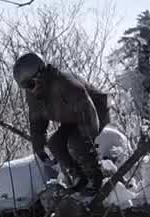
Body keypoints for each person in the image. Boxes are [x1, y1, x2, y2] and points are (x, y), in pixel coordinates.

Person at [13, 52, 110, 195]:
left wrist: (87, 139)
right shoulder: (35, 96)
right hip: (72, 118)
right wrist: (38, 147)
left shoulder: (66, 84)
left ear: (41, 75)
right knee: (55, 143)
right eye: (26, 87)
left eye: (31, 84)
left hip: (95, 112)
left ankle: (95, 178)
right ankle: (79, 178)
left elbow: (88, 111)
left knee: (76, 141)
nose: (30, 90)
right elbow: (36, 121)